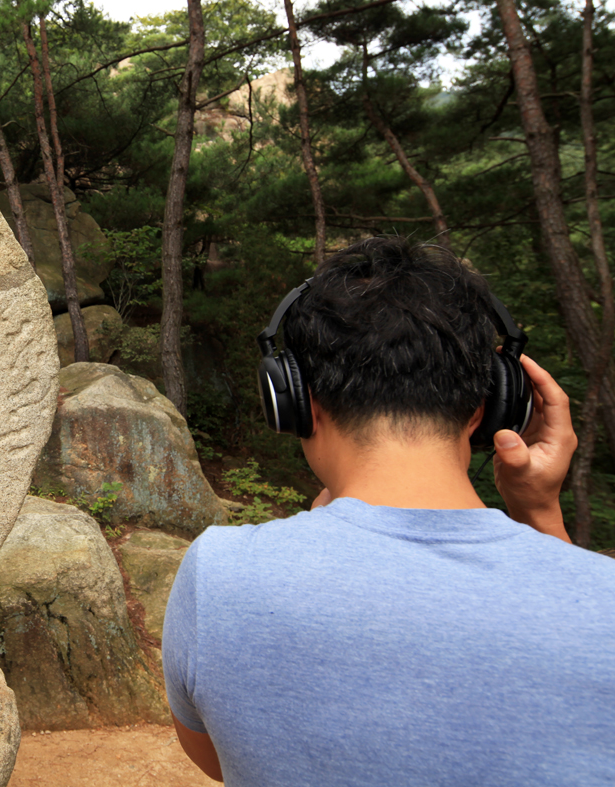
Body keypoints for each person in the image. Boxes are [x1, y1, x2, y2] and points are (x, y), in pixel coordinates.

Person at [163, 236, 615, 786]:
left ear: (296, 399)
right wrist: (541, 511)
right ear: (491, 404)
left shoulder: (218, 576)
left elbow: (221, 760)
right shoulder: (601, 600)